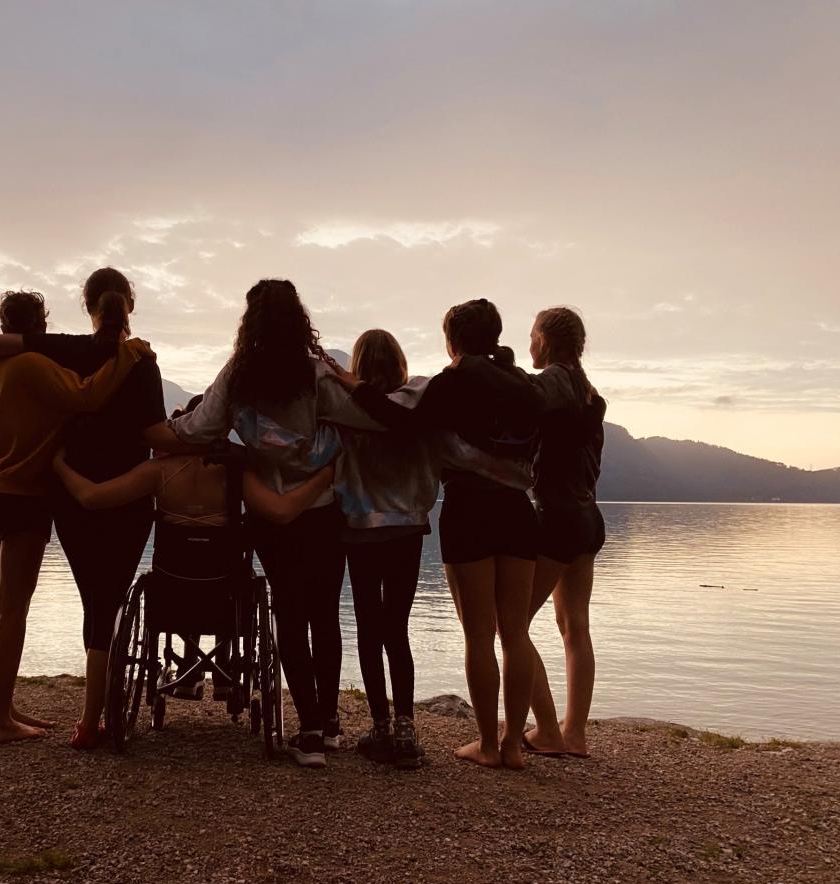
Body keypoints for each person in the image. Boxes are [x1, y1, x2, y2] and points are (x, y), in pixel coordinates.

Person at [160, 279, 382, 768]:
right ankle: (329, 724)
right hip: (323, 510)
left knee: (290, 615)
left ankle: (309, 731)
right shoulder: (317, 376)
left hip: (271, 516)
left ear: (250, 322)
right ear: (299, 319)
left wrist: (157, 430)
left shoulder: (238, 376)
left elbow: (198, 428)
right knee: (325, 615)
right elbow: (368, 419)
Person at [334, 299, 544, 769]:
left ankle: (485, 743)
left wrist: (351, 385)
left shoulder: (449, 385)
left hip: (468, 510)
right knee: (515, 633)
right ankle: (513, 745)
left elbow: (400, 421)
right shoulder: (524, 385)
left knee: (478, 636)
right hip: (518, 511)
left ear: (452, 340)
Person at [0, 267, 169, 750]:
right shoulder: (43, 364)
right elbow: (89, 398)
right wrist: (129, 356)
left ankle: (3, 706)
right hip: (43, 493)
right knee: (20, 609)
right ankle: (8, 718)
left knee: (1, 606)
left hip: (7, 491)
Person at [53, 396, 334, 702]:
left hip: (172, 585)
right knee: (234, 574)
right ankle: (224, 672)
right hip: (224, 588)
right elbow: (282, 511)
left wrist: (58, 466)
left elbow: (91, 497)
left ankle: (189, 669)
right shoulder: (235, 473)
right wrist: (324, 477)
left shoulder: (158, 470)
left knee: (184, 579)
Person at [521, 307, 606, 760]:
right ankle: (575, 734)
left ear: (546, 340)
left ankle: (549, 731)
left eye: (532, 336)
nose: (529, 344)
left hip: (556, 518)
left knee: (510, 624)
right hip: (588, 517)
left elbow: (519, 402)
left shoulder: (551, 382)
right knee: (575, 627)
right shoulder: (588, 392)